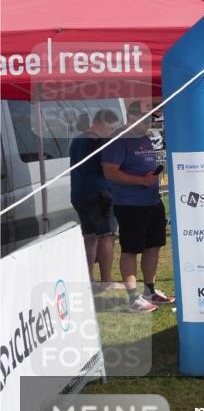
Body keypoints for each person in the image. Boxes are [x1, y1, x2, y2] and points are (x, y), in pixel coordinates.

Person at [101, 101, 174, 312]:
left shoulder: (143, 137)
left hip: (152, 200)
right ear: (132, 117)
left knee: (154, 246)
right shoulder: (118, 140)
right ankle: (133, 298)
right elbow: (110, 172)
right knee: (131, 249)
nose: (149, 123)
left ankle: (149, 290)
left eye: (151, 119)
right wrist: (141, 180)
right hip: (130, 204)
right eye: (146, 119)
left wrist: (149, 179)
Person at [70, 108, 125, 293]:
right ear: (101, 123)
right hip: (100, 193)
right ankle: (106, 281)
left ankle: (89, 278)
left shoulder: (77, 139)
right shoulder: (99, 142)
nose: (111, 131)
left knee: (90, 237)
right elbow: (109, 166)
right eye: (110, 127)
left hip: (79, 193)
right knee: (106, 236)